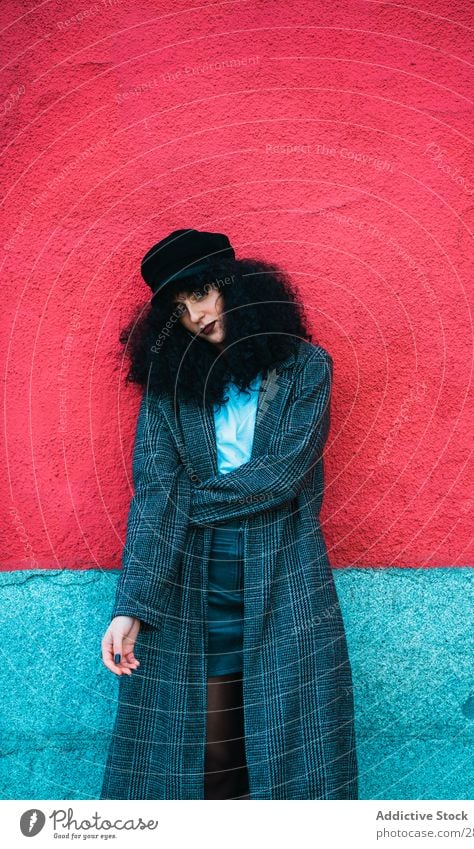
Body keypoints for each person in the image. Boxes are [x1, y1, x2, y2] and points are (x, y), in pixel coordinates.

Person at [100, 229, 358, 800]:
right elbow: (153, 492)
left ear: (239, 290)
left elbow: (279, 478)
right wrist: (132, 605)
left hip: (284, 570)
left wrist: (182, 503)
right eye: (179, 305)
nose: (195, 313)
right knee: (206, 744)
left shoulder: (307, 370)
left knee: (296, 736)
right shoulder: (169, 392)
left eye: (204, 292)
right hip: (191, 577)